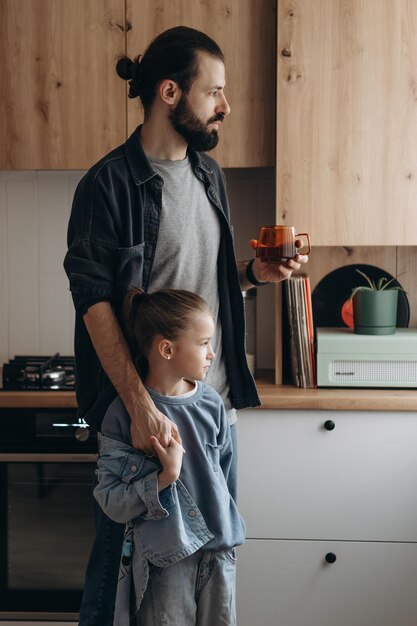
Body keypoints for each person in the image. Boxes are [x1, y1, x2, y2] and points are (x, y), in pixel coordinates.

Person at [64, 25, 307, 626]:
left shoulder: (208, 175)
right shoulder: (108, 184)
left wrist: (255, 274)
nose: (225, 105)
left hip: (209, 406)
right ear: (170, 92)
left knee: (208, 565)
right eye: (214, 92)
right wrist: (141, 409)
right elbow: (95, 303)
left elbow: (202, 288)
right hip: (146, 418)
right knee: (124, 577)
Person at [94, 287, 246, 625]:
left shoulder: (212, 404)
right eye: (204, 342)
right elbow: (111, 500)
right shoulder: (123, 415)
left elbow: (227, 479)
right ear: (167, 348)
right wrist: (164, 478)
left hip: (219, 553)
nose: (212, 353)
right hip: (164, 562)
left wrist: (230, 535)